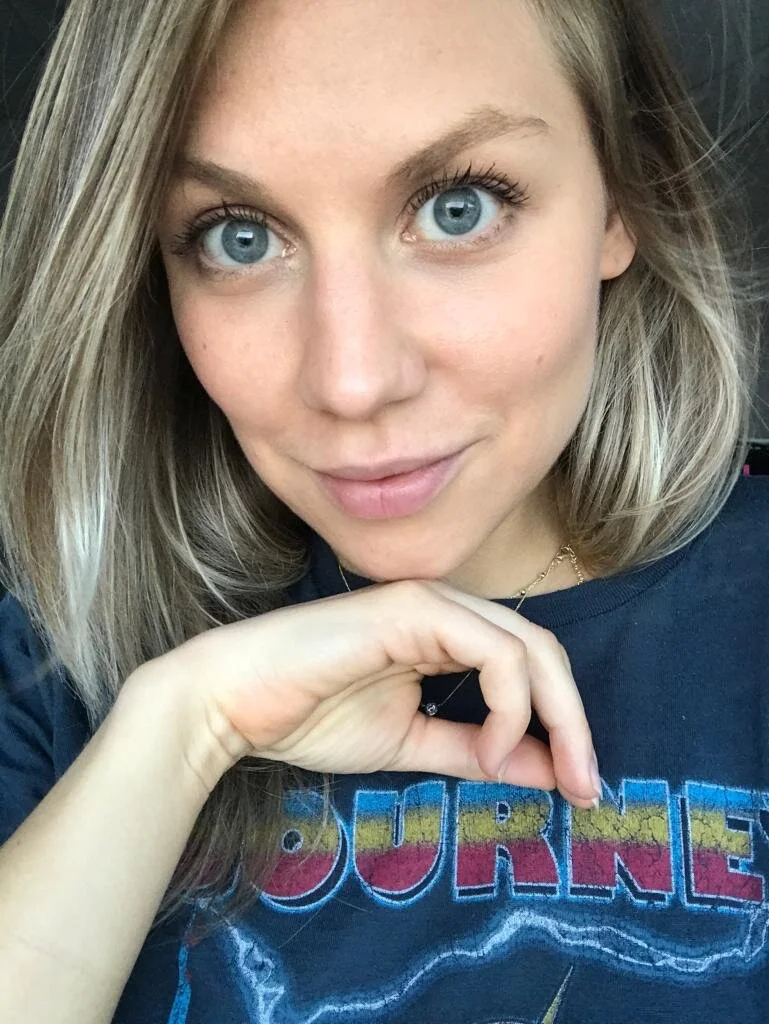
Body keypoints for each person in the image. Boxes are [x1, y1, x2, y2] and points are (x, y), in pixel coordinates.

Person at [0, 0, 766, 1019]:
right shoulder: (60, 658)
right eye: (238, 237)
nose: (352, 380)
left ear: (620, 200)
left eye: (458, 208)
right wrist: (183, 728)